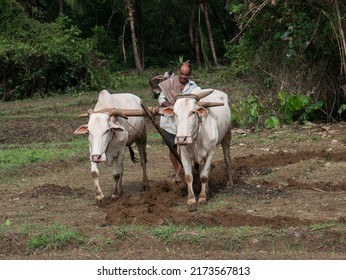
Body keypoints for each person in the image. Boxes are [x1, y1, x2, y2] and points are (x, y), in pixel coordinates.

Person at [158, 62, 197, 182]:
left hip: (186, 123)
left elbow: (195, 103)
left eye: (186, 74)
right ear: (178, 71)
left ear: (190, 74)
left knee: (187, 147)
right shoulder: (169, 84)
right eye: (182, 74)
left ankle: (184, 171)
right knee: (172, 148)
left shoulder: (193, 87)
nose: (184, 77)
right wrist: (171, 105)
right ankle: (177, 172)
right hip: (170, 121)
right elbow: (161, 99)